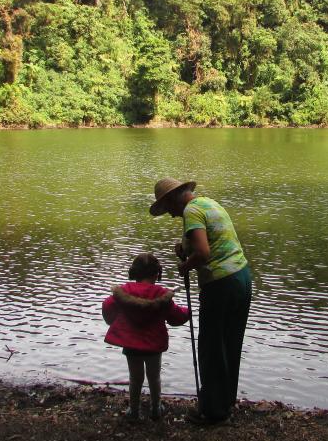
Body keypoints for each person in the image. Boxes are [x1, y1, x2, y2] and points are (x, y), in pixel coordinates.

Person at [149, 177, 252, 425]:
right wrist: (186, 248)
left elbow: (204, 254)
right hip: (241, 277)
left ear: (173, 199)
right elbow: (211, 242)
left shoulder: (191, 212)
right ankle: (225, 402)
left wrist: (186, 265)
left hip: (220, 284)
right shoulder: (208, 204)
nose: (172, 216)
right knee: (230, 342)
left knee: (211, 346)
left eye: (169, 209)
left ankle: (213, 411)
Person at [102, 253, 190, 420]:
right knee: (154, 377)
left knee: (135, 378)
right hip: (153, 344)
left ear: (134, 272)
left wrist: (112, 320)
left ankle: (134, 411)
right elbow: (175, 317)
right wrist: (188, 313)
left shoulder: (124, 292)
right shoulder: (162, 294)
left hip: (131, 344)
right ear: (157, 273)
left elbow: (107, 307)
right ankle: (156, 409)